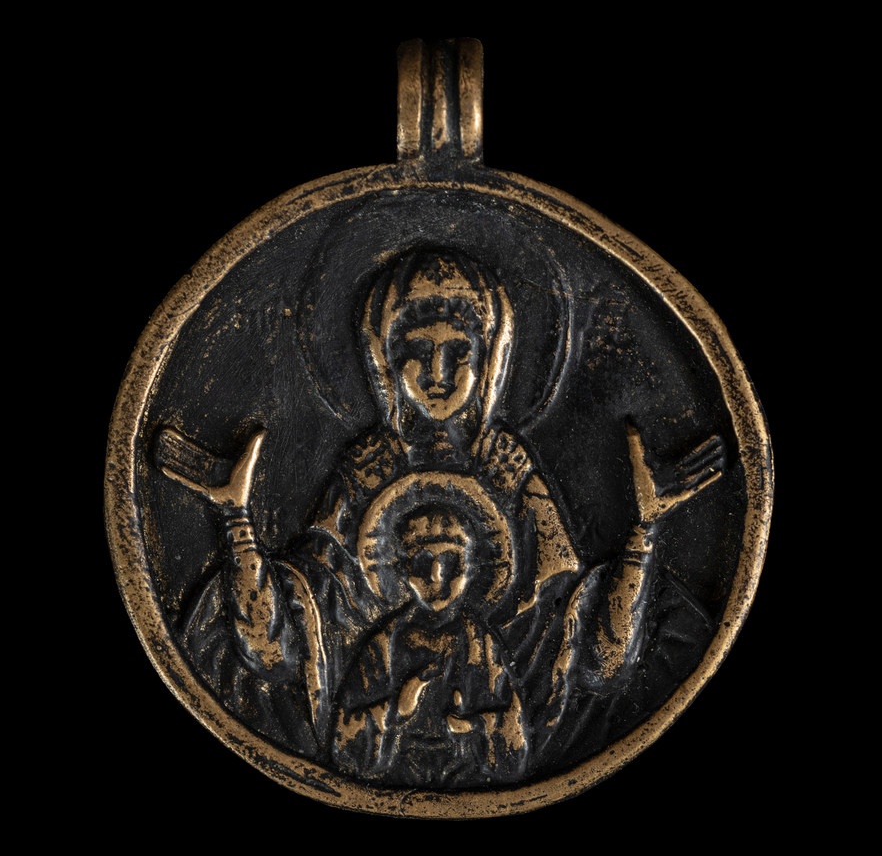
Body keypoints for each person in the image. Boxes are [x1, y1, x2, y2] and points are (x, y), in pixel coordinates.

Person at [158, 247, 723, 787]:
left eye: (460, 353)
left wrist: (643, 530)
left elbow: (585, 646)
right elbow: (284, 643)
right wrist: (237, 521)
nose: (439, 374)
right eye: (417, 351)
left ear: (490, 360)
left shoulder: (510, 467)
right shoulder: (365, 468)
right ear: (383, 360)